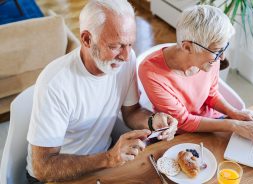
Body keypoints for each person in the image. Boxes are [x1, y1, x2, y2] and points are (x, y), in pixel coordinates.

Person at [25, 0, 178, 183]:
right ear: (87, 39)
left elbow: (131, 112)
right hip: (60, 174)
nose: (126, 55)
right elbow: (43, 167)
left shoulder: (126, 61)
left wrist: (153, 122)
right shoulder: (56, 84)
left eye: (130, 44)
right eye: (115, 46)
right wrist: (109, 158)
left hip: (103, 162)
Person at [139, 5, 253, 148]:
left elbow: (211, 93)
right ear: (187, 47)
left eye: (223, 48)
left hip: (213, 122)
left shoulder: (209, 58)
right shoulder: (151, 72)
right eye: (217, 51)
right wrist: (233, 124)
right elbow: (183, 121)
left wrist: (233, 113)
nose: (222, 57)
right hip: (178, 135)